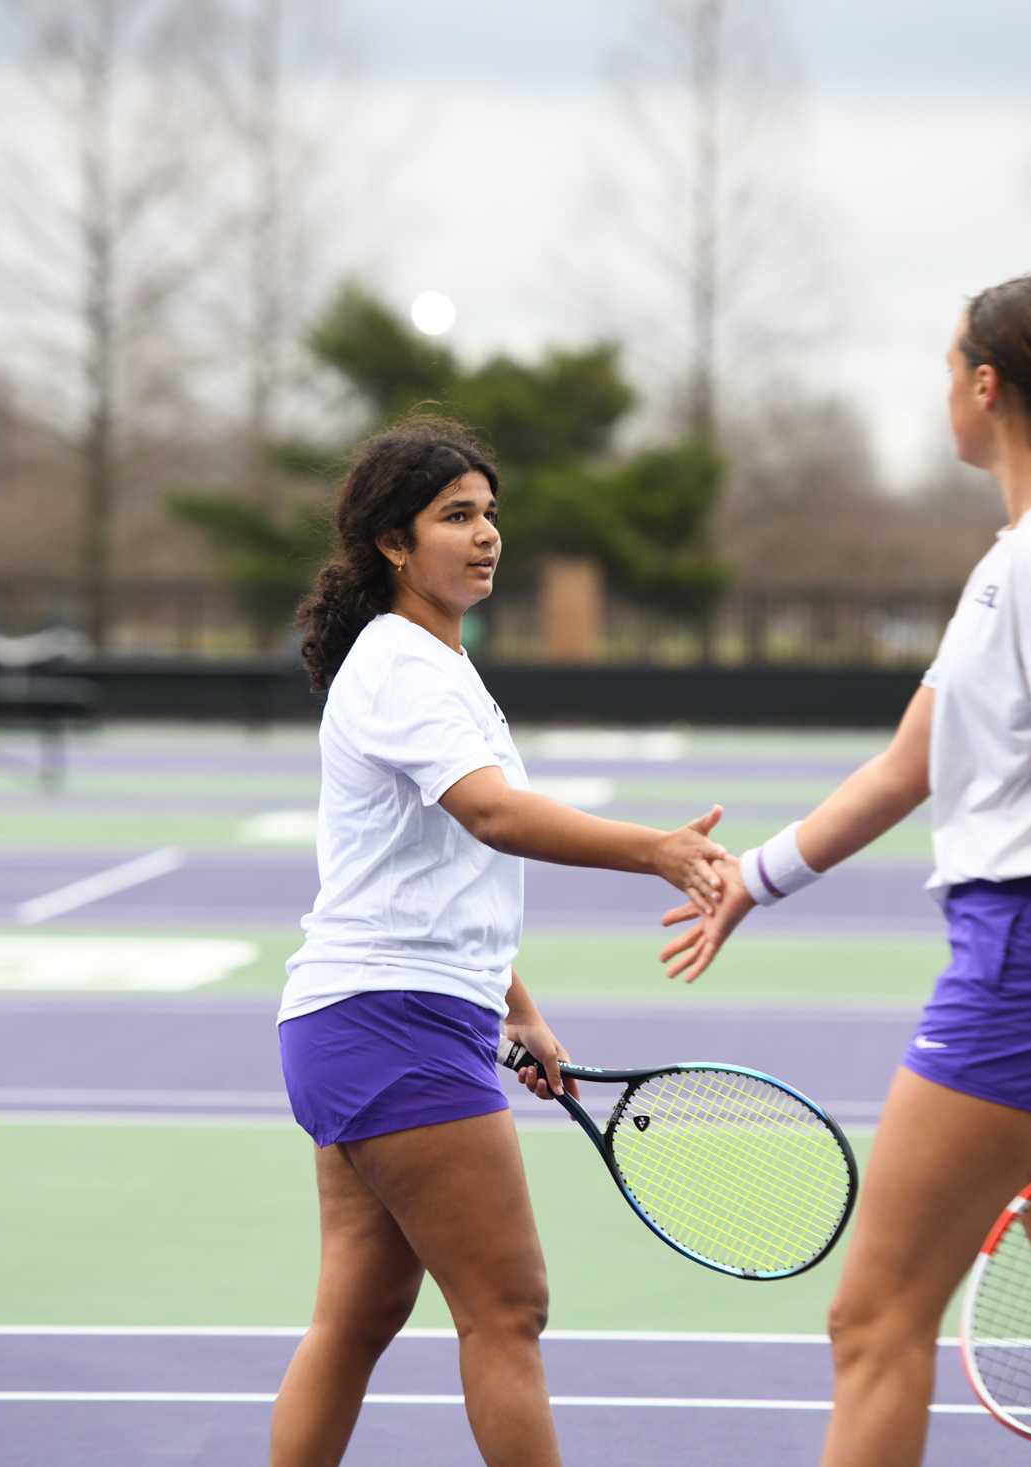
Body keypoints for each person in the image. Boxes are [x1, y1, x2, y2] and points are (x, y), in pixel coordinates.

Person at [660, 276, 1031, 1466]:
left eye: (944, 371)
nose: (940, 397)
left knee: (873, 1318)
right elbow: (912, 761)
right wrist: (748, 881)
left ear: (983, 384)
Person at [269, 418, 730, 1467]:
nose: (485, 537)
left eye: (489, 515)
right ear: (394, 543)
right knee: (507, 1310)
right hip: (392, 1027)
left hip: (357, 1023)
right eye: (455, 517)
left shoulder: (428, 662)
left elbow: (437, 868)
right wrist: (652, 851)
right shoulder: (403, 669)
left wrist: (513, 1006)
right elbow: (495, 819)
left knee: (358, 1318)